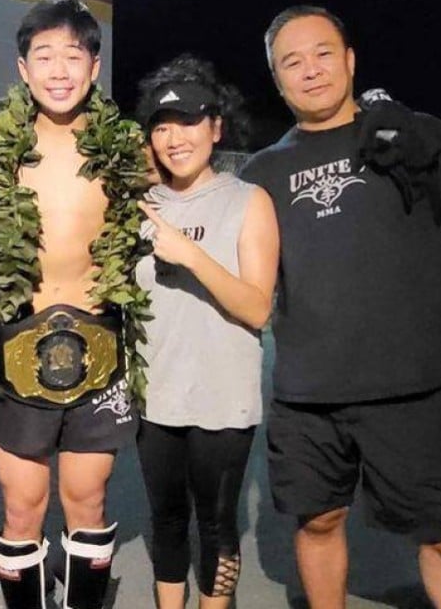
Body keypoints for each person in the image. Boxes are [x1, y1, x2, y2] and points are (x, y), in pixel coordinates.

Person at [241, 4, 441, 609]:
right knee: (318, 524)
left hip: (407, 392)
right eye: (291, 62)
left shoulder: (415, 137)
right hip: (306, 398)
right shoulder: (263, 172)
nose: (310, 71)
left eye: (324, 53)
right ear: (277, 80)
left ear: (351, 59)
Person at [0, 0, 150, 609]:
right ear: (22, 69)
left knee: (89, 501)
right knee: (21, 508)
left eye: (72, 55)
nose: (58, 70)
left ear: (94, 66)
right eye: (43, 56)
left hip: (100, 348)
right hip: (17, 349)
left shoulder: (126, 151)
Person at [133, 54, 279, 609]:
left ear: (216, 127)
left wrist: (190, 254)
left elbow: (257, 308)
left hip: (222, 402)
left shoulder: (248, 201)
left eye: (190, 122)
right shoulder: (140, 205)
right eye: (162, 126)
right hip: (156, 399)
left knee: (216, 524)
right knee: (166, 522)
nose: (175, 137)